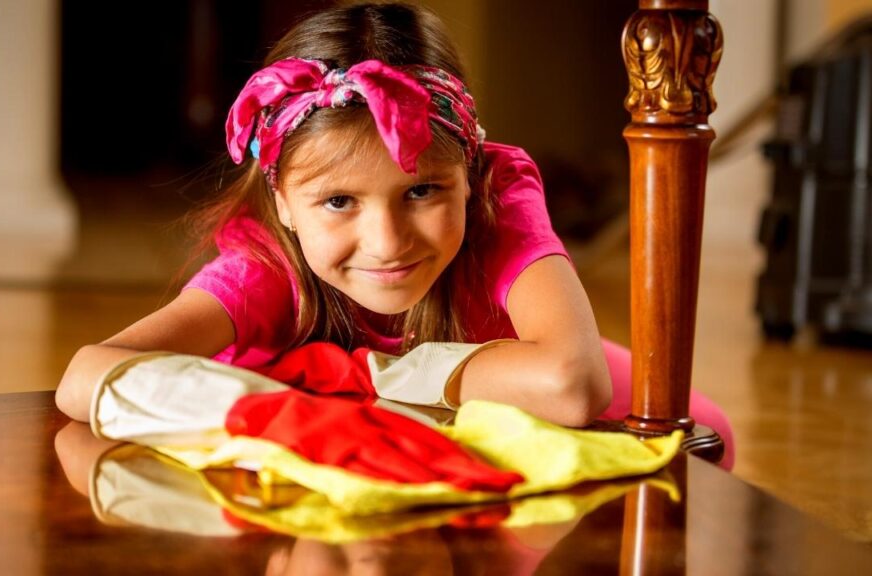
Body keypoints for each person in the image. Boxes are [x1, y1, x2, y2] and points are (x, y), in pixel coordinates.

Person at [55, 2, 734, 468]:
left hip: (503, 359)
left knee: (707, 437)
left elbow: (567, 381)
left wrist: (354, 376)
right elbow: (83, 379)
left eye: (422, 191)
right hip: (356, 424)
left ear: (468, 173)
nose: (387, 241)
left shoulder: (499, 200)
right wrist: (289, 401)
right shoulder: (268, 264)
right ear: (283, 202)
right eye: (339, 201)